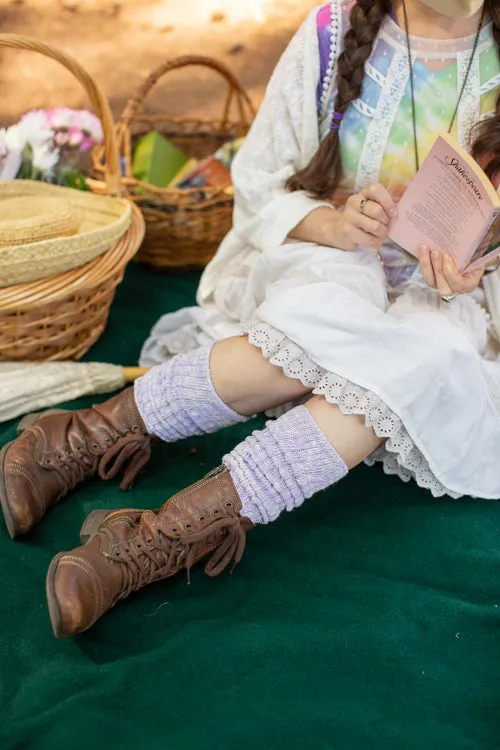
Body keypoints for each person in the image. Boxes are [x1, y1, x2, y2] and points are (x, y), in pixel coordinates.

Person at [1, 0, 500, 638]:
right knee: (326, 316)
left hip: (449, 304)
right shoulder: (334, 32)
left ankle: (156, 539)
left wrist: (474, 269)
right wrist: (338, 223)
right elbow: (260, 180)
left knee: (426, 358)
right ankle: (81, 437)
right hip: (337, 260)